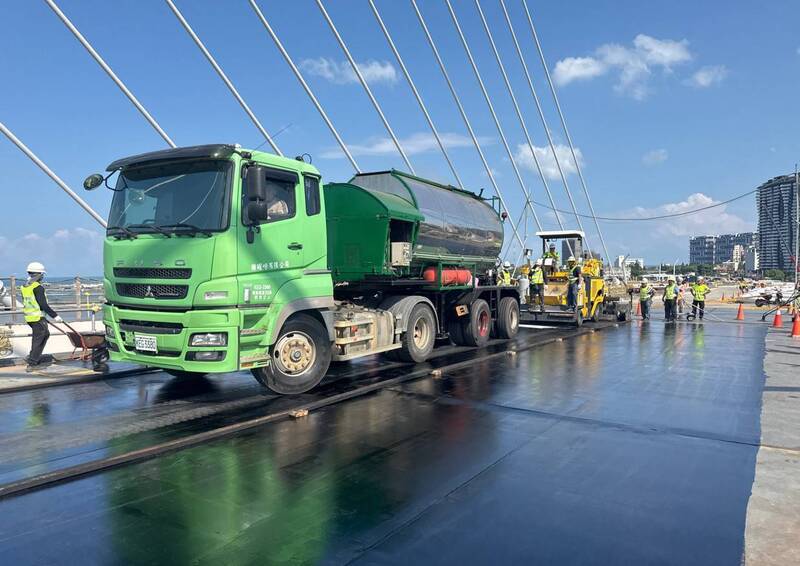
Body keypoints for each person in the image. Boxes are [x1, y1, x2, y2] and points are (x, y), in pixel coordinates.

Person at [20, 262, 62, 372]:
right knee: (39, 339)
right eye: (42, 274)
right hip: (37, 318)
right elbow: (43, 305)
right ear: (39, 274)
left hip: (30, 317)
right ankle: (32, 363)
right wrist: (55, 316)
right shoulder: (38, 288)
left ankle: (32, 357)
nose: (43, 276)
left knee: (44, 335)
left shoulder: (25, 287)